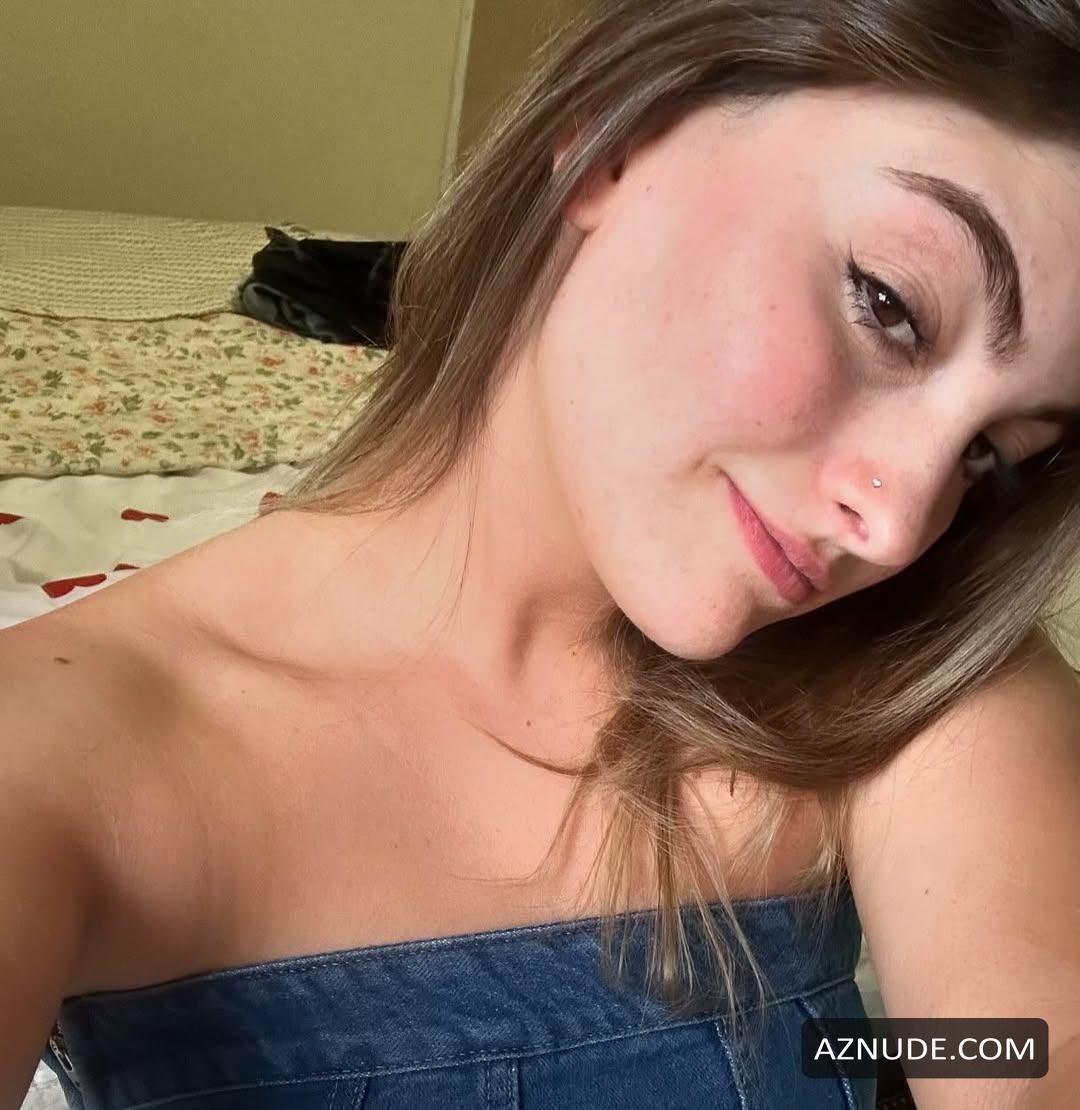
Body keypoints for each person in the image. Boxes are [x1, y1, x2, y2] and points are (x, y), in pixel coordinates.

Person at [4, 0, 1080, 1107]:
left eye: (991, 453)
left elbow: (1020, 1057)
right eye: (889, 306)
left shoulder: (909, 677)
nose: (898, 524)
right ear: (619, 138)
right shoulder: (57, 750)